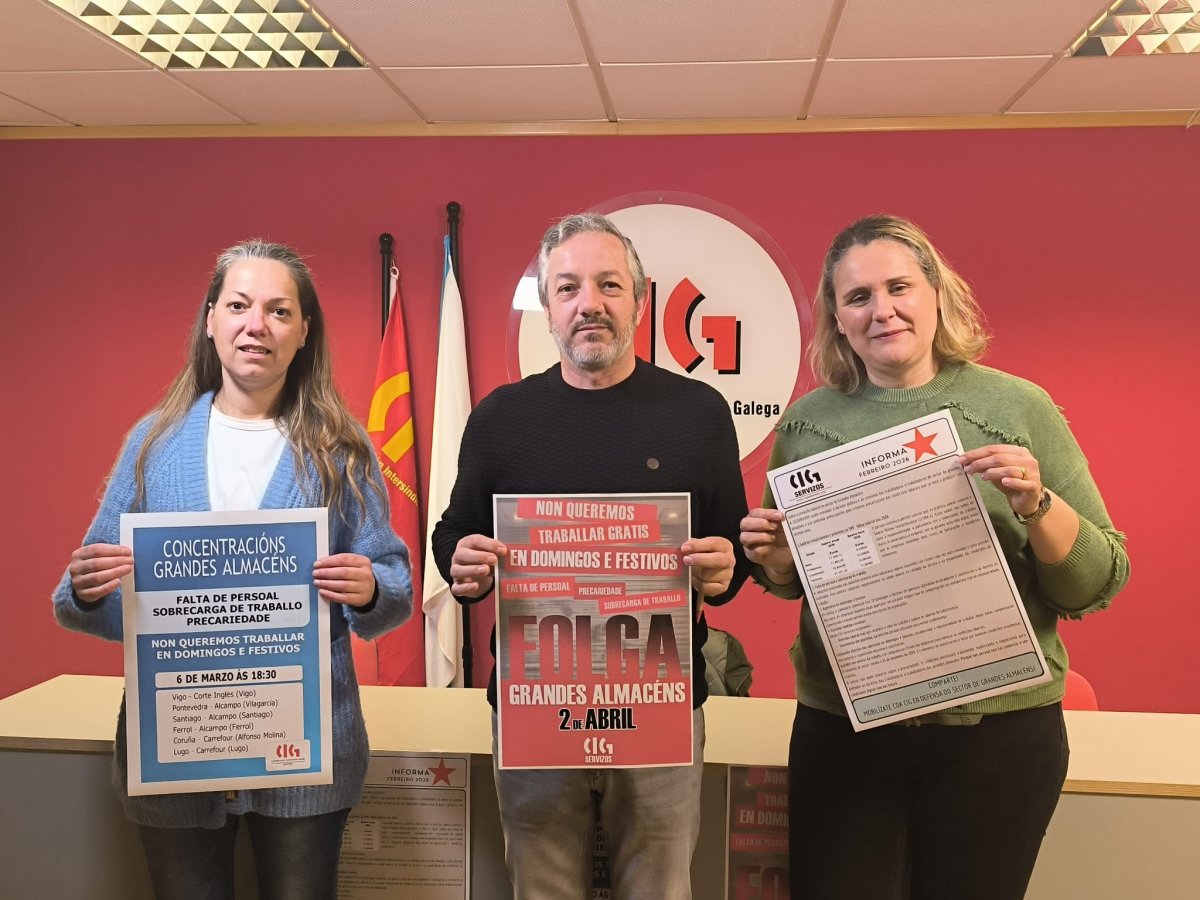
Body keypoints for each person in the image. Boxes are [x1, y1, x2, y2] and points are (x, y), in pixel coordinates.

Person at [740, 214, 1130, 900]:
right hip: (846, 732)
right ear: (837, 318)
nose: (882, 310)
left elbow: (1096, 581)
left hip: (998, 739)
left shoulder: (1018, 405)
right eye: (858, 297)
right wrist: (773, 558)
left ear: (937, 294)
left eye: (899, 287)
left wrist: (1038, 503)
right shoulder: (806, 424)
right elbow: (794, 578)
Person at [53, 239, 412, 900]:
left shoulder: (341, 447)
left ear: (304, 332)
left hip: (307, 751)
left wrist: (368, 590)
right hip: (177, 747)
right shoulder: (153, 443)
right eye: (240, 305)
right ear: (211, 319)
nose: (257, 325)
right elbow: (85, 600)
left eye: (280, 311)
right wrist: (87, 588)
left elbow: (394, 587)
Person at [432, 212, 749, 899]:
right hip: (535, 709)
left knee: (661, 888)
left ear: (639, 300)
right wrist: (462, 563)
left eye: (609, 285)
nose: (589, 304)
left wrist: (726, 569)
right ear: (548, 307)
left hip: (661, 707)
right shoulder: (500, 417)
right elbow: (454, 533)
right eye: (568, 287)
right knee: (541, 888)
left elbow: (732, 548)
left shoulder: (698, 412)